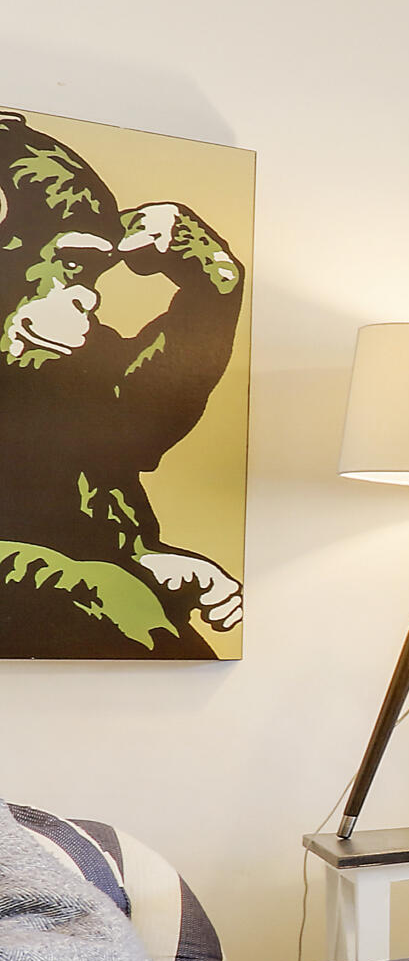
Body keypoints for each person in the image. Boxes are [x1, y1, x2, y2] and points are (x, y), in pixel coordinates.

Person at [0, 112, 247, 657]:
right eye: (70, 265)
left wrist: (212, 280)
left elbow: (135, 433)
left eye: (91, 273)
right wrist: (90, 580)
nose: (87, 296)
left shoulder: (76, 358)